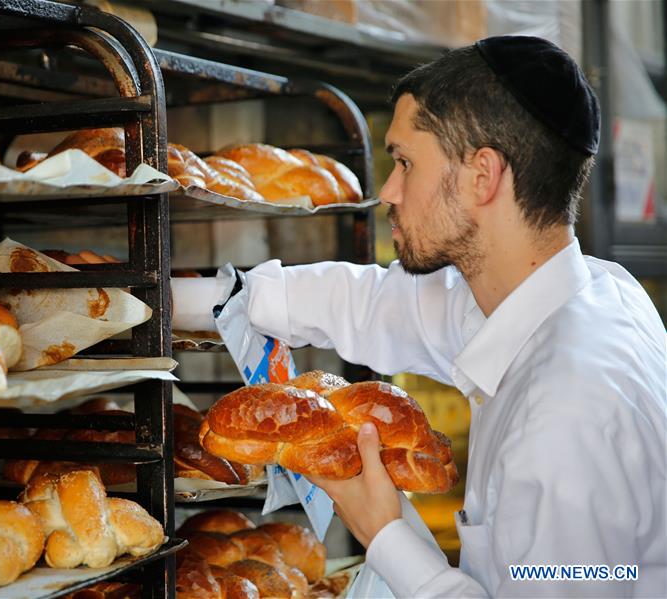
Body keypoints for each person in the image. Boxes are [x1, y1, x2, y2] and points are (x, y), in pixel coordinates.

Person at [173, 36, 666, 597]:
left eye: (405, 162)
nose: (388, 190)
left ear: (483, 175)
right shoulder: (588, 293)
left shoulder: (566, 412)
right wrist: (172, 300)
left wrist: (384, 533)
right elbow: (374, 303)